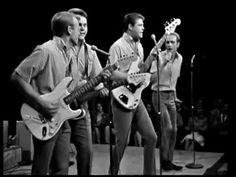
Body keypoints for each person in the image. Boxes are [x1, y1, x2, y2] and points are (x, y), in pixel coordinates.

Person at [10, 11, 80, 175]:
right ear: (69, 30)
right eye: (77, 28)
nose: (81, 32)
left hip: (61, 120)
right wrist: (40, 103)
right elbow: (17, 76)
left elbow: (67, 89)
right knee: (41, 169)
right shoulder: (46, 50)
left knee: (62, 169)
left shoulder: (68, 54)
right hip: (44, 118)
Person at [108, 12, 157, 175]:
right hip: (121, 98)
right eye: (140, 25)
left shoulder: (140, 46)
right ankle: (112, 173)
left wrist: (150, 59)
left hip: (136, 98)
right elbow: (112, 74)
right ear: (130, 26)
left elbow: (140, 71)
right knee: (122, 141)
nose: (143, 28)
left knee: (151, 137)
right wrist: (130, 77)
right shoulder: (118, 46)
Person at [67, 8, 110, 175]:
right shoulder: (62, 48)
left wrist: (103, 88)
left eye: (85, 25)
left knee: (86, 153)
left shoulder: (90, 52)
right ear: (70, 26)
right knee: (60, 158)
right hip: (60, 105)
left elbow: (98, 78)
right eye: (80, 24)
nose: (83, 28)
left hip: (80, 108)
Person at [150, 32, 183, 171]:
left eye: (172, 42)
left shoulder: (180, 58)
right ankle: (164, 161)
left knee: (174, 130)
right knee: (167, 128)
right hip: (158, 95)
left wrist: (175, 96)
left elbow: (174, 80)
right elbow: (151, 79)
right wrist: (162, 63)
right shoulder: (159, 56)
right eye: (167, 42)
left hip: (171, 96)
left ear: (178, 44)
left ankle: (169, 160)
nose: (169, 45)